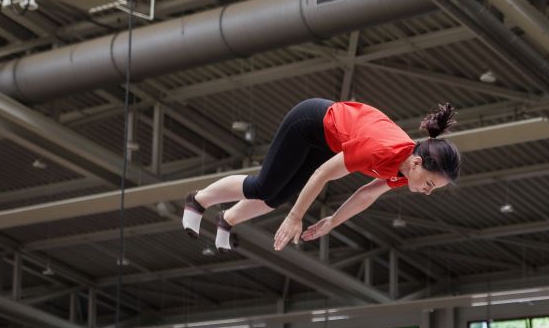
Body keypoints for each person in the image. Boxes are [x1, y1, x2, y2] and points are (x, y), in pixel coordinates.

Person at [182, 100, 461, 251]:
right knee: (264, 186)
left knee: (278, 195)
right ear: (416, 163)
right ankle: (198, 200)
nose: (427, 191)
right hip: (309, 124)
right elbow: (323, 174)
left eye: (432, 189)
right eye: (428, 183)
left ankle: (227, 219)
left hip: (327, 142)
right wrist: (295, 217)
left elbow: (368, 194)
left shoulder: (403, 171)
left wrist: (333, 221)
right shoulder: (380, 150)